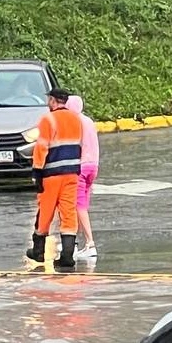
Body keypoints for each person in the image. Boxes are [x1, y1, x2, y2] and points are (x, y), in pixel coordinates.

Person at [25, 88, 84, 269]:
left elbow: (41, 147)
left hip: (51, 174)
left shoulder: (47, 119)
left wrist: (37, 171)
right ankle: (67, 256)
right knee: (68, 212)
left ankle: (39, 251)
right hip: (72, 173)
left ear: (52, 100)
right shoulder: (76, 119)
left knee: (45, 210)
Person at [67, 94, 99, 260]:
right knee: (81, 205)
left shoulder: (75, 122)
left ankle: (90, 243)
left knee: (78, 206)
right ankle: (76, 243)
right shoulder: (88, 121)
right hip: (93, 166)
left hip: (80, 167)